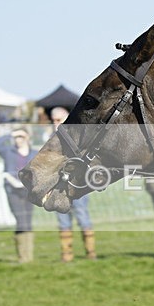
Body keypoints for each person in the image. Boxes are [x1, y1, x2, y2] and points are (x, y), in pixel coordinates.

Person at [50, 107, 97, 262]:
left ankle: (91, 253)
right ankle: (66, 255)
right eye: (53, 120)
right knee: (63, 221)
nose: (54, 123)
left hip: (76, 187)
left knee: (83, 217)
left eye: (58, 120)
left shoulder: (78, 139)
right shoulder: (51, 141)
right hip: (58, 188)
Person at [0, 128, 37, 263]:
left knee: (27, 221)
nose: (19, 139)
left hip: (29, 191)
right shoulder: (8, 152)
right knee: (21, 220)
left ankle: (28, 255)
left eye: (21, 136)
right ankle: (22, 255)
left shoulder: (35, 153)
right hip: (13, 190)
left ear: (27, 137)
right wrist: (10, 134)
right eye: (16, 137)